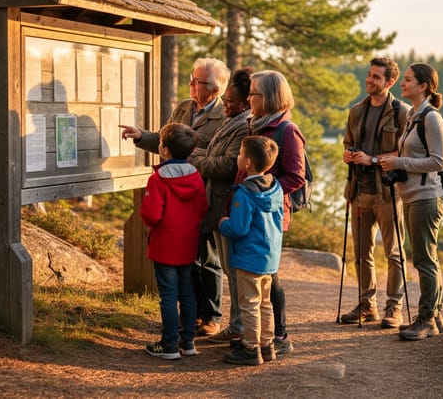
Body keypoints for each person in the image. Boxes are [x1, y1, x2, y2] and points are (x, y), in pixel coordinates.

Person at [120, 57, 230, 337]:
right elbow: (167, 140)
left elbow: (213, 155)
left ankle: (211, 316)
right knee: (187, 261)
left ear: (215, 90)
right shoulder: (183, 107)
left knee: (208, 259)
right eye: (191, 78)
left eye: (198, 81)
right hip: (173, 192)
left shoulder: (224, 116)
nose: (191, 84)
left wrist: (194, 154)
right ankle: (189, 316)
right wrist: (140, 135)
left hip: (200, 193)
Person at [378, 62, 443, 341]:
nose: (402, 84)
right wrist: (397, 167)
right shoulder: (413, 116)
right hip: (413, 196)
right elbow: (416, 158)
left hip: (426, 197)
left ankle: (427, 319)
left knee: (424, 260)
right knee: (427, 258)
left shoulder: (431, 118)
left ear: (423, 86)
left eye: (407, 80)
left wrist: (399, 161)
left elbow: (438, 162)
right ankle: (435, 317)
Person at [240, 70, 306, 355]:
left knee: (271, 275)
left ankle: (279, 335)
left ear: (268, 97)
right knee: (258, 274)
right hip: (249, 210)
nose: (248, 98)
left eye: (253, 93)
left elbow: (296, 176)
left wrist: (261, 191)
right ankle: (257, 334)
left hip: (270, 215)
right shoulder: (254, 124)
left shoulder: (286, 131)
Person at [340, 57, 409, 328]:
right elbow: (348, 143)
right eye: (369, 75)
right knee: (361, 253)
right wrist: (348, 154)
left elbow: (405, 152)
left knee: (394, 253)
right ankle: (368, 305)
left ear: (390, 82)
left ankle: (395, 307)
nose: (369, 80)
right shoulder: (357, 111)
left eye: (376, 77)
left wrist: (371, 159)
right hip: (359, 192)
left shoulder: (401, 112)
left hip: (388, 193)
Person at [188, 68, 254, 345]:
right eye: (225, 99)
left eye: (231, 100)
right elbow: (217, 154)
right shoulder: (232, 121)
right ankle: (235, 323)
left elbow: (227, 164)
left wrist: (192, 160)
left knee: (232, 268)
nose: (225, 104)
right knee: (229, 268)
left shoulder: (243, 125)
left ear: (246, 102)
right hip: (217, 203)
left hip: (227, 202)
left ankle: (238, 325)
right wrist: (192, 152)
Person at [139, 123, 208, 360]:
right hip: (188, 245)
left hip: (165, 245)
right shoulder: (197, 177)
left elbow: (151, 214)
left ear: (165, 150)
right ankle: (187, 342)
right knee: (186, 293)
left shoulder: (158, 179)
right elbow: (202, 209)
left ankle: (169, 345)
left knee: (168, 295)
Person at [219, 136, 284, 365]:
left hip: (248, 259)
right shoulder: (275, 187)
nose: (237, 157)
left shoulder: (244, 194)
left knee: (249, 305)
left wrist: (223, 223)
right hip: (269, 258)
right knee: (265, 303)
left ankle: (250, 348)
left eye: (239, 154)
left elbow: (238, 228)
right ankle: (267, 346)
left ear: (246, 163)